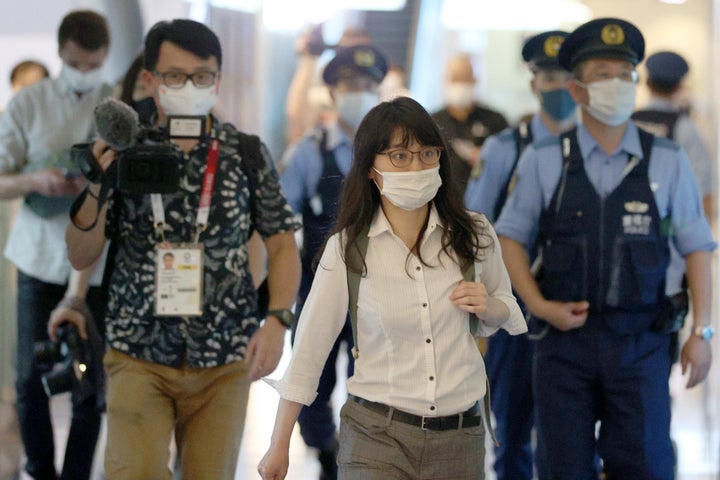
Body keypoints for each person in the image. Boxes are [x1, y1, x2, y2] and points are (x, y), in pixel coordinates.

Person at [65, 19, 301, 479]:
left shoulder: (244, 153)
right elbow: (79, 254)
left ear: (217, 78)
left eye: (202, 75)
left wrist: (277, 320)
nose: (188, 85)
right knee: (135, 471)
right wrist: (96, 181)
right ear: (150, 79)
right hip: (137, 351)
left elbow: (282, 244)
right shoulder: (125, 149)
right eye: (174, 76)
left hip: (224, 357)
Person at [259, 96, 526, 480]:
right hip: (376, 435)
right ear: (370, 168)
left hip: (460, 439)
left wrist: (489, 308)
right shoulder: (348, 247)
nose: (416, 166)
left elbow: (506, 307)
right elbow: (309, 352)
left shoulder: (475, 233)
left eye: (426, 153)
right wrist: (279, 444)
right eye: (399, 156)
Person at [496, 18, 715, 479]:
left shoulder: (668, 159)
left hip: (642, 344)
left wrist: (704, 332)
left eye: (625, 74)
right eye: (602, 74)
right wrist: (537, 305)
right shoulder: (545, 160)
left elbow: (697, 245)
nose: (617, 84)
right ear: (577, 90)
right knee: (562, 468)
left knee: (646, 464)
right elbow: (509, 236)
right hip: (562, 348)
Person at [0, 10, 113, 480]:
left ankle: (77, 475)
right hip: (39, 258)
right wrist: (35, 179)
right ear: (61, 53)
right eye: (75, 63)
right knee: (29, 378)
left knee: (91, 383)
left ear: (105, 58)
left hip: (100, 264)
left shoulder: (118, 105)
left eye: (93, 64)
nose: (84, 72)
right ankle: (40, 470)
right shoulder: (29, 104)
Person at [464, 30, 575, 480]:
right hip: (514, 314)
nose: (559, 89)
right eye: (549, 77)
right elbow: (475, 228)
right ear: (534, 84)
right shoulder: (504, 148)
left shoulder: (596, 146)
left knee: (572, 432)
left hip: (575, 308)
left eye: (568, 77)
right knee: (511, 427)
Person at [280, 44, 388, 480]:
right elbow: (279, 220)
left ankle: (359, 458)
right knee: (311, 383)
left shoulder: (396, 154)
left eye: (368, 86)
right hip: (320, 288)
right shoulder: (309, 151)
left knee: (374, 384)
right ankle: (325, 449)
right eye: (350, 86)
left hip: (380, 291)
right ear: (332, 91)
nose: (360, 93)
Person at [432, 53, 508, 195]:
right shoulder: (433, 122)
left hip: (486, 199)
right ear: (446, 82)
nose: (460, 85)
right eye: (456, 79)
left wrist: (488, 157)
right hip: (445, 202)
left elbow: (510, 160)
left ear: (475, 81)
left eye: (465, 79)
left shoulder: (495, 120)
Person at [285, 26, 373, 145]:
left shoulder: (386, 89)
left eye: (360, 51)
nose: (354, 59)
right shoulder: (324, 84)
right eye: (347, 52)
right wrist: (309, 58)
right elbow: (298, 116)